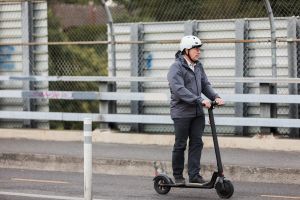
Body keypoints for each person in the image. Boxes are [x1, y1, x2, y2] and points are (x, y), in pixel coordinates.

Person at [167, 35, 224, 184]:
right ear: (186, 50)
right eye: (195, 49)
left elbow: (205, 84)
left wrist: (215, 96)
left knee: (197, 143)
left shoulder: (198, 66)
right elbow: (179, 89)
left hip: (197, 112)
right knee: (180, 144)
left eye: (199, 49)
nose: (198, 52)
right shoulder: (176, 67)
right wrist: (199, 100)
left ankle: (194, 175)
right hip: (181, 113)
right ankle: (178, 176)